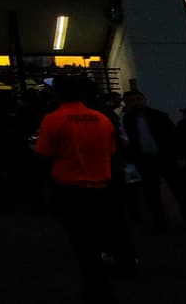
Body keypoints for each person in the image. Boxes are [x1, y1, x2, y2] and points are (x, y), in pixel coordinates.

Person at [35, 75, 133, 304]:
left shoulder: (54, 119)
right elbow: (111, 151)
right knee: (98, 236)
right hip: (101, 186)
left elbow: (43, 155)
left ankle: (96, 290)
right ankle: (107, 277)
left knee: (81, 243)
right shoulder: (101, 119)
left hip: (68, 187)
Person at [121, 90, 186, 232]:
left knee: (179, 191)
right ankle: (161, 222)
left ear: (144, 100)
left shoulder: (158, 115)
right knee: (152, 194)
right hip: (146, 160)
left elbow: (174, 136)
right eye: (131, 101)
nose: (135, 103)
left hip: (166, 158)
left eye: (137, 99)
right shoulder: (128, 119)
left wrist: (180, 156)